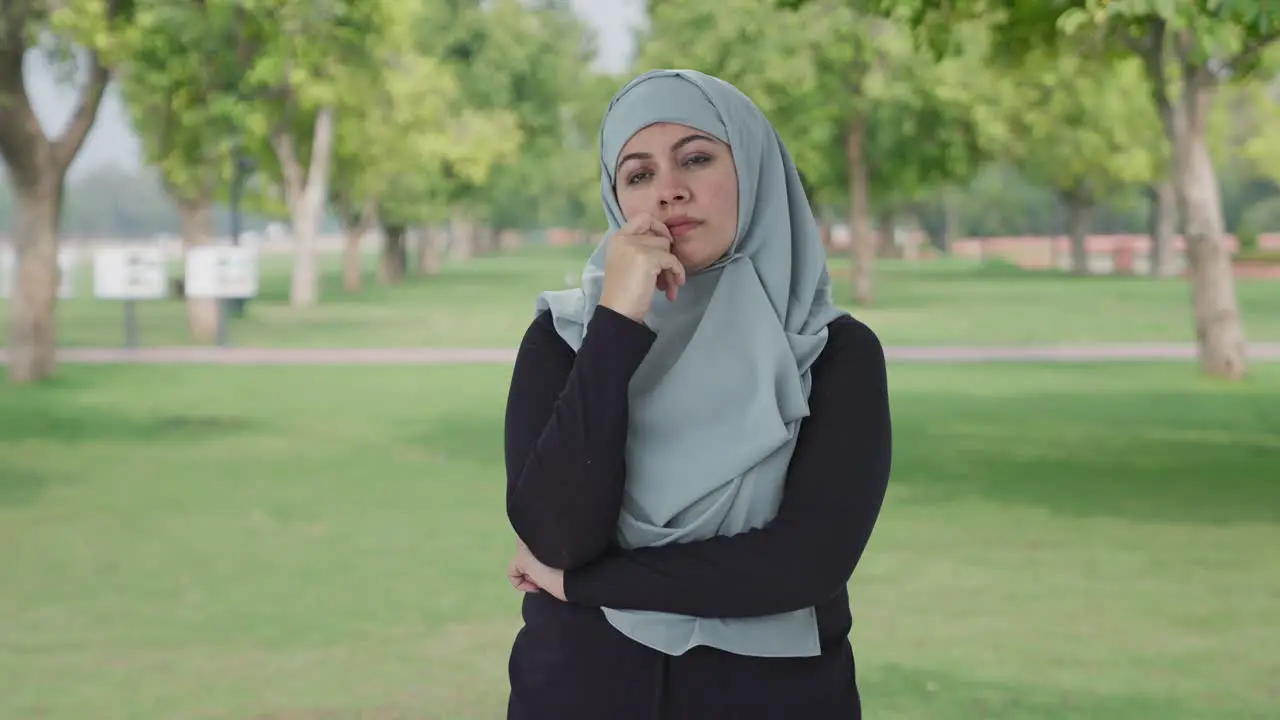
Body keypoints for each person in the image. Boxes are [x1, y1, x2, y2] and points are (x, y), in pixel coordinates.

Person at [502, 69, 892, 720]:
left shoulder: (834, 353)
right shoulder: (562, 339)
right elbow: (557, 535)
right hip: (577, 692)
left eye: (698, 158)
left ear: (755, 170)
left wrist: (582, 585)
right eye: (637, 174)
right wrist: (618, 322)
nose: (668, 192)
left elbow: (804, 565)